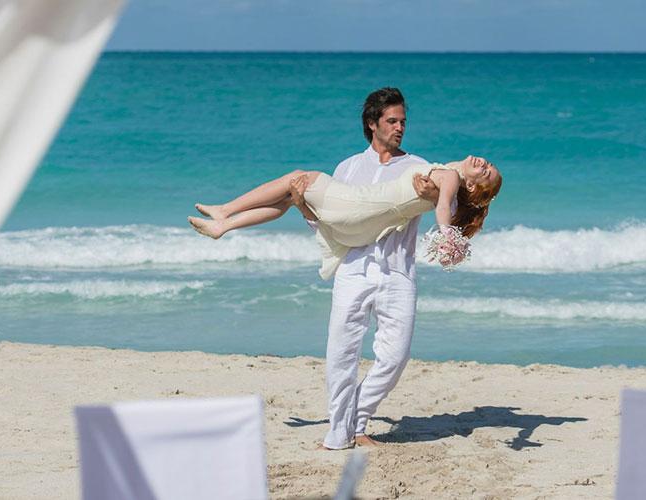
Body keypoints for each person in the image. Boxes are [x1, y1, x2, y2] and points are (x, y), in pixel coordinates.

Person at [194, 87, 473, 450]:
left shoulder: (418, 165)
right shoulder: (348, 167)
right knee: (341, 354)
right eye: (392, 121)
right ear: (372, 124)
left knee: (394, 358)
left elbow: (448, 207)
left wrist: (444, 219)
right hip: (353, 268)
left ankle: (358, 418)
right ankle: (341, 434)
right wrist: (301, 205)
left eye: (403, 121)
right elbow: (330, 223)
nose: (400, 128)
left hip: (398, 271)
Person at [188, 154, 501, 278]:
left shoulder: (450, 179)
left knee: (296, 177)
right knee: (289, 197)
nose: (484, 162)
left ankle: (225, 211)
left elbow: (444, 208)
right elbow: (445, 204)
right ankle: (224, 226)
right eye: (488, 164)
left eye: (486, 172)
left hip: (356, 205)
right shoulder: (447, 175)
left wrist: (447, 235)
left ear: (472, 186)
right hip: (360, 222)